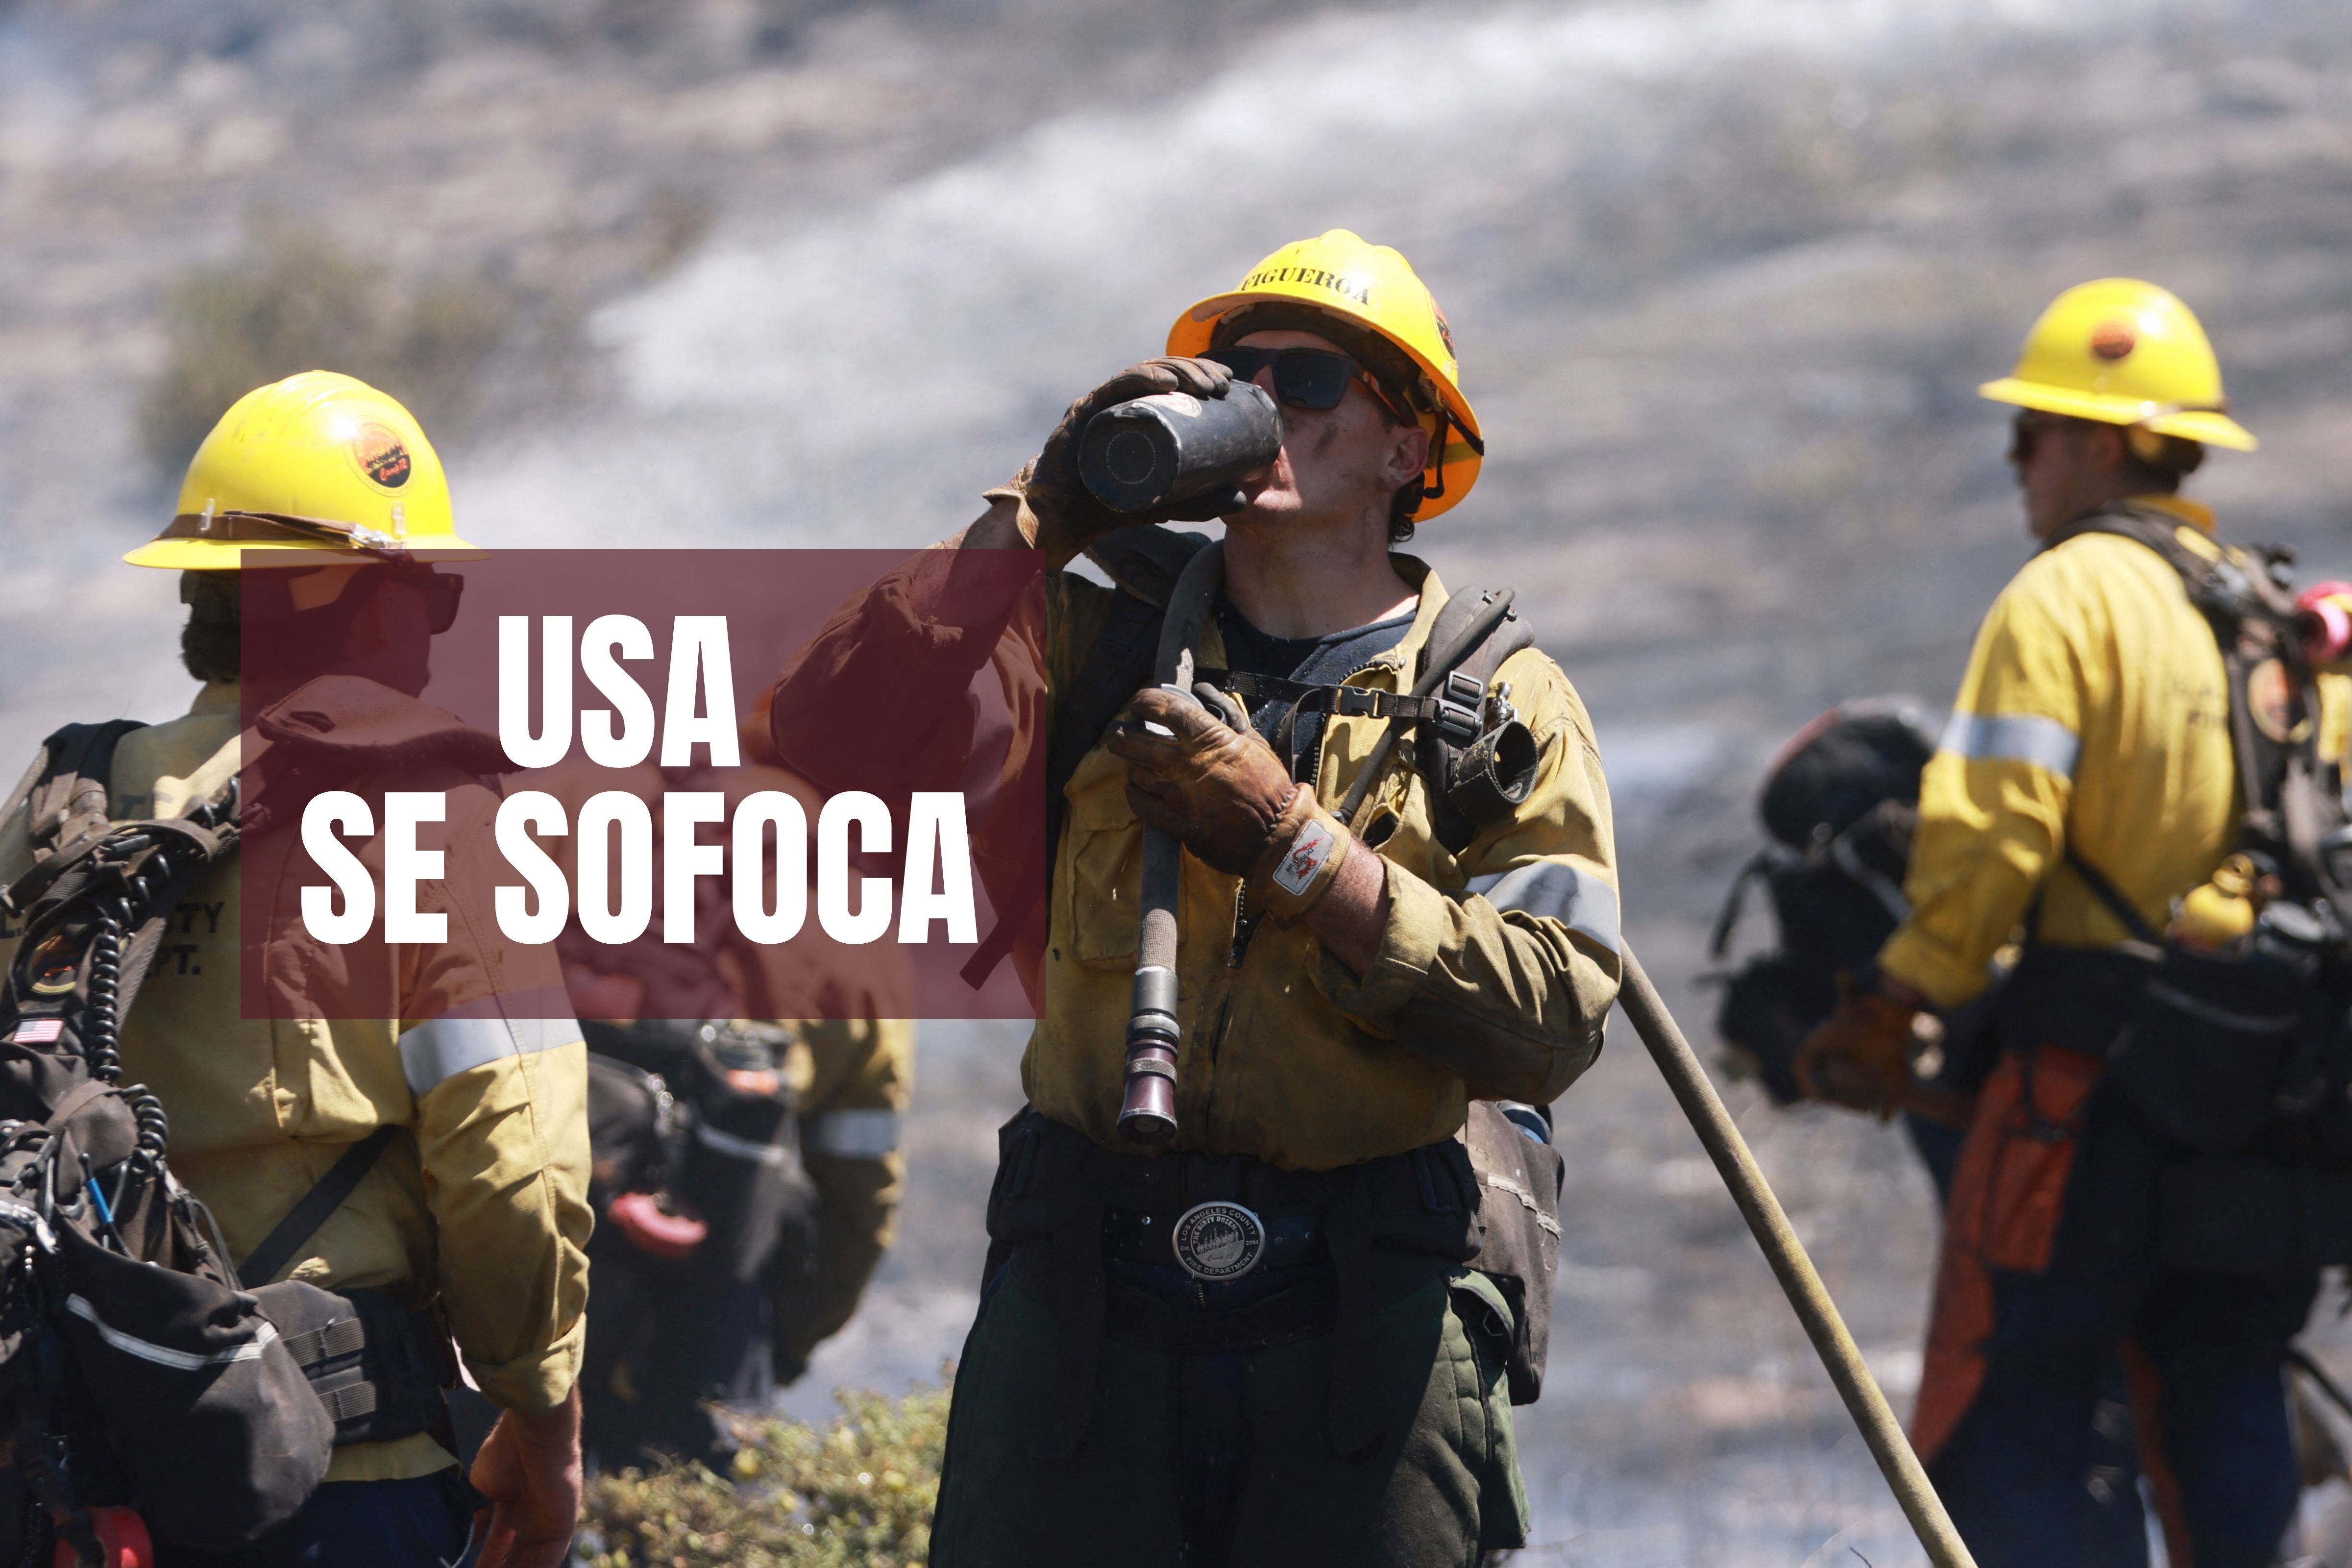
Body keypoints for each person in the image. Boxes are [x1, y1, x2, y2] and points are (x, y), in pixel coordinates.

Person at [770, 229, 1621, 1566]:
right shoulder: (1095, 633)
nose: (1259, 401)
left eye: (1309, 379)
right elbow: (817, 738)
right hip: (1084, 1312)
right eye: (1234, 371)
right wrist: (1041, 511)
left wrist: (1295, 847)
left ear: (1409, 450)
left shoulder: (1498, 705)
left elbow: (1555, 1021)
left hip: (1361, 1329)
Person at [0, 371, 594, 1567]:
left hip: (65, 1473)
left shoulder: (59, 808)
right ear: (372, 601)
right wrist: (545, 1421)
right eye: (432, 590)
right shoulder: (432, 816)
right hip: (331, 1475)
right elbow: (516, 1164)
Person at [1797, 280, 2337, 1567]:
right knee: (2224, 1390)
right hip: (2273, 1101)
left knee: (2014, 1412)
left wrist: (1897, 1001)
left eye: (2032, 433)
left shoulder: (2065, 598)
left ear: (2098, 443)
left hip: (2088, 1091)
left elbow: (1994, 840)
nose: (2015, 461)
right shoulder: (2274, 618)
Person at [547, 757, 914, 1472]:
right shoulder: (846, 904)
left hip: (547, 1270)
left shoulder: (575, 817)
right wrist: (785, 1343)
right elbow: (862, 1194)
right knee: (695, 1523)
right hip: (713, 1302)